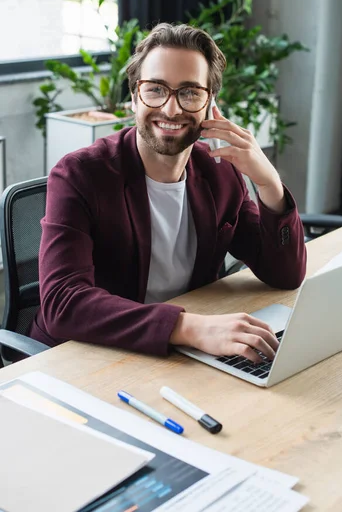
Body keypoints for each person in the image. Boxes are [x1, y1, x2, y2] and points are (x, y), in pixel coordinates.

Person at [29, 23, 307, 364]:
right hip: (84, 357)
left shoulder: (220, 172)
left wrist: (269, 185)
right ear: (133, 97)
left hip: (177, 355)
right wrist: (189, 328)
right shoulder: (80, 175)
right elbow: (63, 303)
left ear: (209, 104)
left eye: (190, 92)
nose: (172, 109)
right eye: (156, 89)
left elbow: (285, 275)